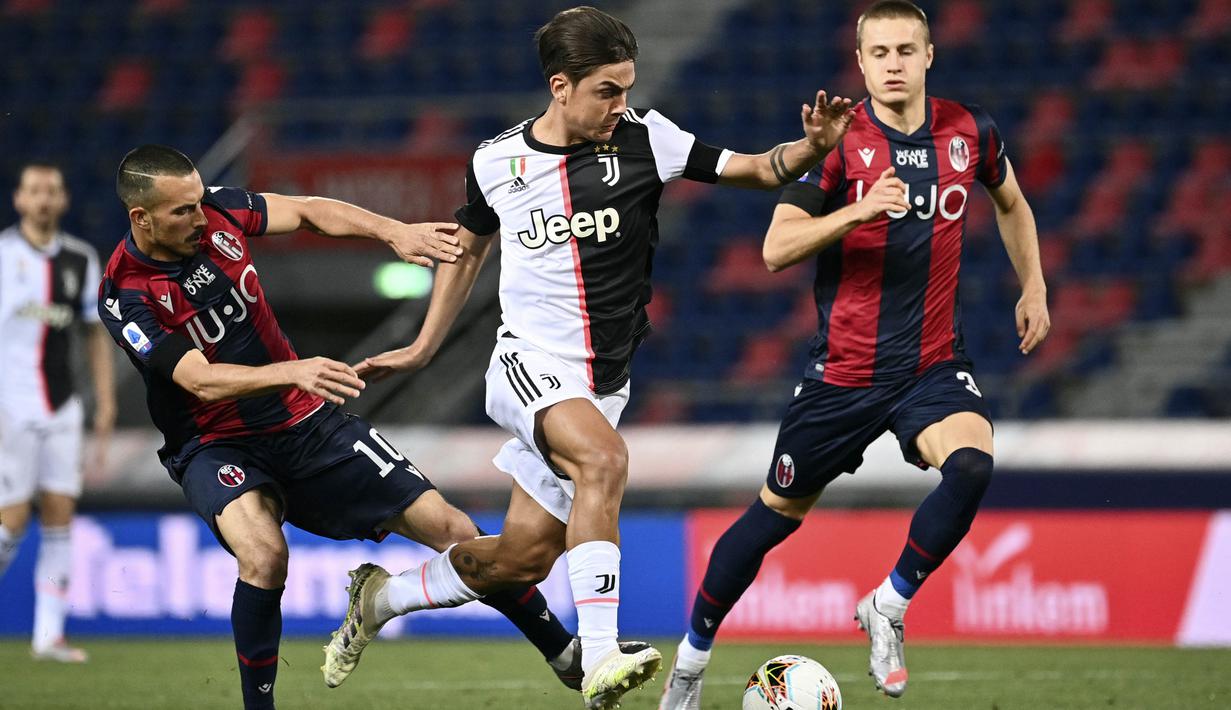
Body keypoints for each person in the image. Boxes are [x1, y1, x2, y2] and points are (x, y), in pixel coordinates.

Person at [329, 7, 854, 709]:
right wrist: (427, 343)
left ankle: (379, 599)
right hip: (528, 361)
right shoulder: (496, 160)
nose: (621, 105)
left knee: (521, 558)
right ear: (560, 86)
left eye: (627, 88)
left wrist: (810, 148)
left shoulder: (647, 139)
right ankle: (601, 655)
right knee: (603, 462)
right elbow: (469, 246)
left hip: (603, 382)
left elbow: (757, 170)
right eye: (607, 91)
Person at [99, 144, 613, 710]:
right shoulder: (126, 293)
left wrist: (393, 232)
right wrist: (292, 369)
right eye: (182, 211)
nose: (200, 217)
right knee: (265, 557)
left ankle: (568, 659)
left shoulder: (219, 211)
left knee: (456, 528)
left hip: (304, 422)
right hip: (215, 443)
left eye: (199, 202)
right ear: (140, 218)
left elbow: (311, 210)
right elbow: (198, 380)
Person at [659, 1, 1051, 706]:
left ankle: (889, 606)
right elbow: (774, 250)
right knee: (770, 519)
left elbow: (1012, 203)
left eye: (906, 50)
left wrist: (1035, 289)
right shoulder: (837, 144)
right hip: (841, 375)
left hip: (930, 365)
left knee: (970, 466)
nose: (894, 63)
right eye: (880, 53)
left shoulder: (971, 131)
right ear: (860, 60)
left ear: (928, 55)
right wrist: (857, 210)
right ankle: (689, 663)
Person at [0, 162, 115, 663]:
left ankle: (49, 637)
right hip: (9, 402)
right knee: (10, 520)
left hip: (63, 404)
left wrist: (105, 401)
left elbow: (94, 334)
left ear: (64, 200)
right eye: (34, 190)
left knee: (60, 517)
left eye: (52, 189)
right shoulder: (3, 256)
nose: (43, 198)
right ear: (19, 200)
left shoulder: (81, 259)